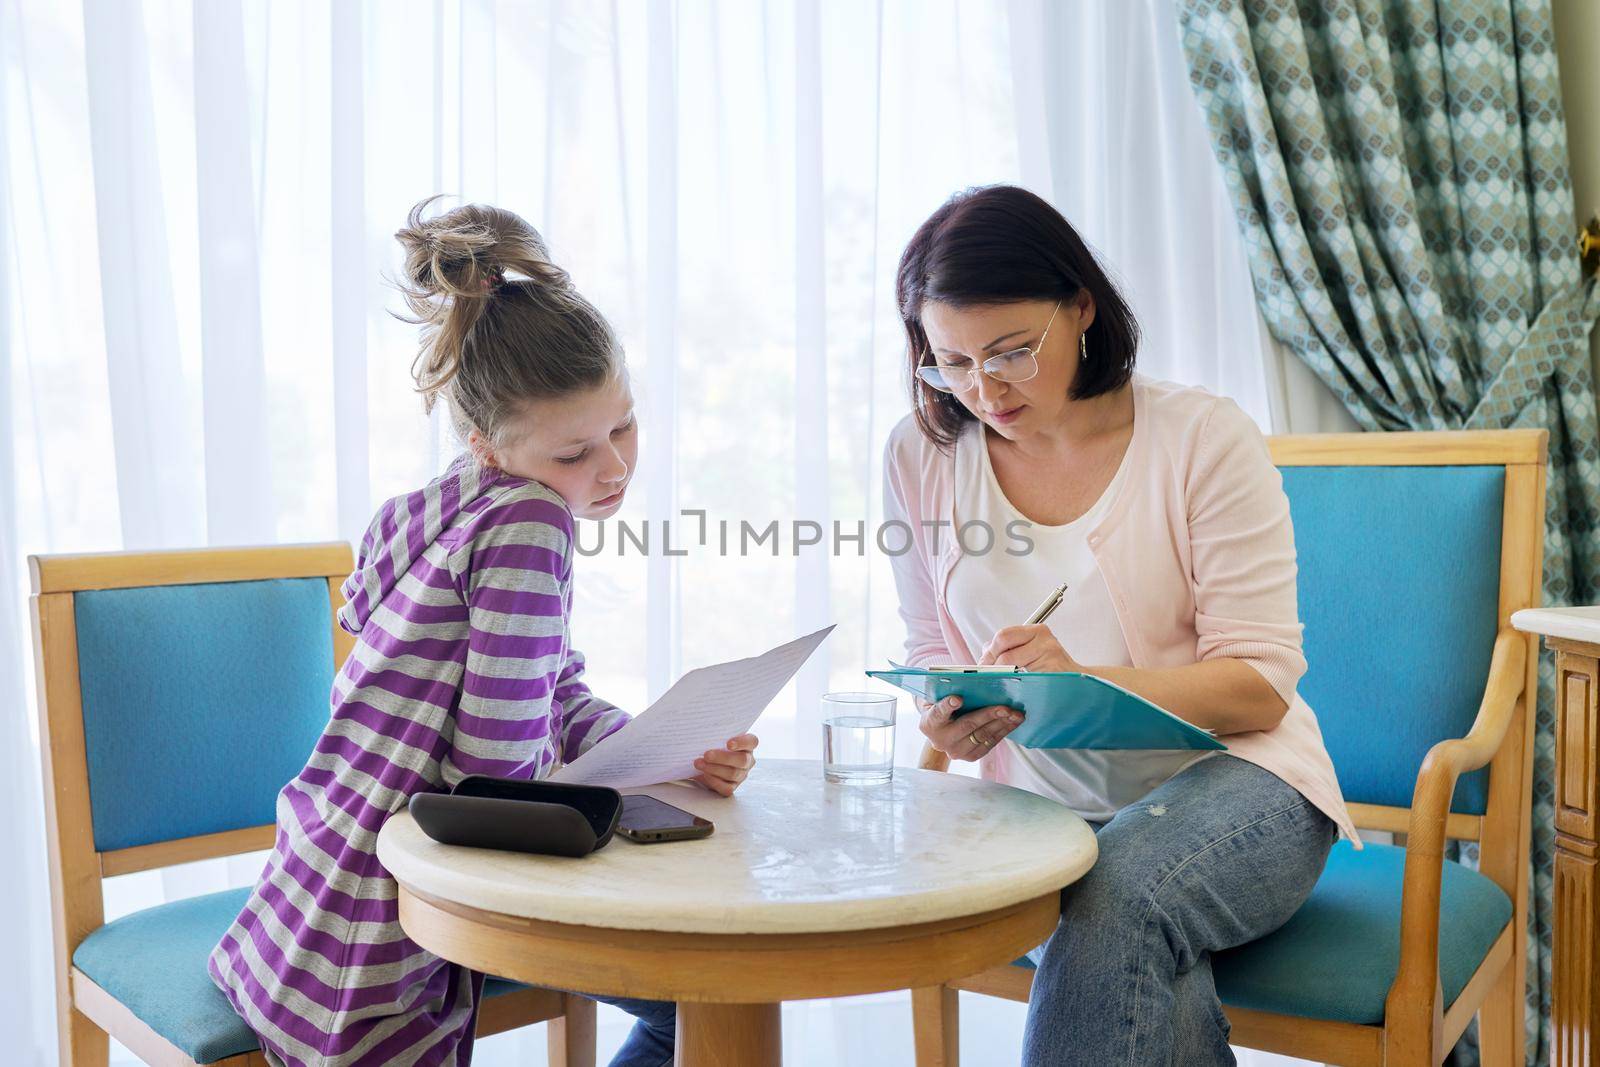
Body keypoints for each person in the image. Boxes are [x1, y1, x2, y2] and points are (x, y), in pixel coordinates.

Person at [210, 198, 757, 1067]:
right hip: (388, 934)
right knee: (701, 1001)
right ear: (490, 444)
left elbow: (549, 689)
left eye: (622, 425)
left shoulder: (428, 509)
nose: (612, 467)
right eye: (575, 454)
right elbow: (493, 781)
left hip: (303, 909)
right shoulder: (533, 525)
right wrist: (639, 780)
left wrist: (658, 747)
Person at [882, 184, 1356, 1066]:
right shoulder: (918, 457)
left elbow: (1259, 683)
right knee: (1142, 958)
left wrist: (1086, 683)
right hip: (1037, 806)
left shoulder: (1201, 437)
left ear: (1082, 306)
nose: (983, 388)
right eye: (949, 361)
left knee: (1112, 890)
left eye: (1011, 351)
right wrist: (945, 709)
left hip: (1245, 784)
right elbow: (927, 647)